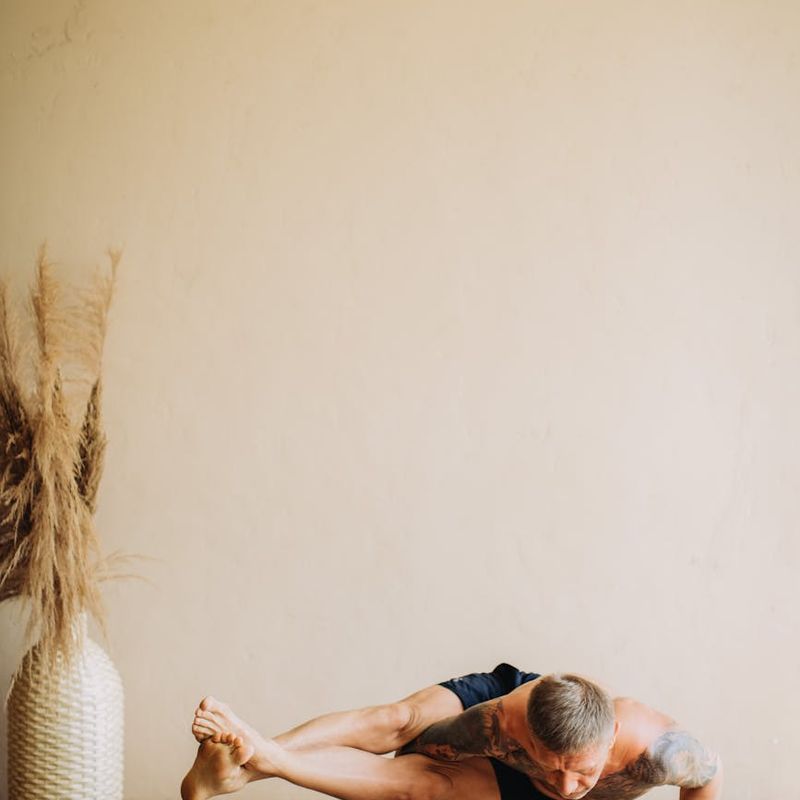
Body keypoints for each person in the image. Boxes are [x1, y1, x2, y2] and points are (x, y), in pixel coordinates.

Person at [180, 663, 723, 800]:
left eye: (582, 773)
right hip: (496, 722)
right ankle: (250, 764)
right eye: (551, 766)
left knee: (427, 787)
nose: (565, 787)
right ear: (527, 744)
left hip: (527, 772)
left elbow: (708, 776)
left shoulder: (664, 751)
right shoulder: (501, 724)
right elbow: (410, 752)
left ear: (612, 738)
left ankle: (256, 758)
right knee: (401, 727)